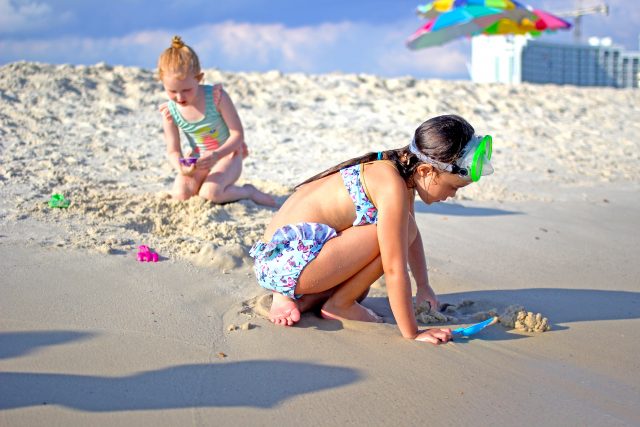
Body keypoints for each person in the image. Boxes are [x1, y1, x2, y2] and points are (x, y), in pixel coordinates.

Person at [249, 114, 493, 344]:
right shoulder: (391, 185)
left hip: (283, 261)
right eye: (453, 187)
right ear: (425, 171)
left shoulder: (400, 170)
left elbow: (412, 236)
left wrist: (423, 286)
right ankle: (338, 305)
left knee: (364, 286)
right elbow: (394, 266)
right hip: (286, 261)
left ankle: (303, 300)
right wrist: (413, 332)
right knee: (398, 233)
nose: (452, 195)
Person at [157, 36, 276, 206]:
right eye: (172, 91)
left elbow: (237, 134)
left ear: (199, 78)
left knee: (210, 193)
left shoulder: (216, 97)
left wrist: (217, 154)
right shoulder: (170, 111)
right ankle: (204, 181)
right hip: (199, 159)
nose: (180, 97)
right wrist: (181, 167)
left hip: (227, 156)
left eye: (187, 90)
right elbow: (172, 151)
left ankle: (248, 192)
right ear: (162, 82)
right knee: (181, 194)